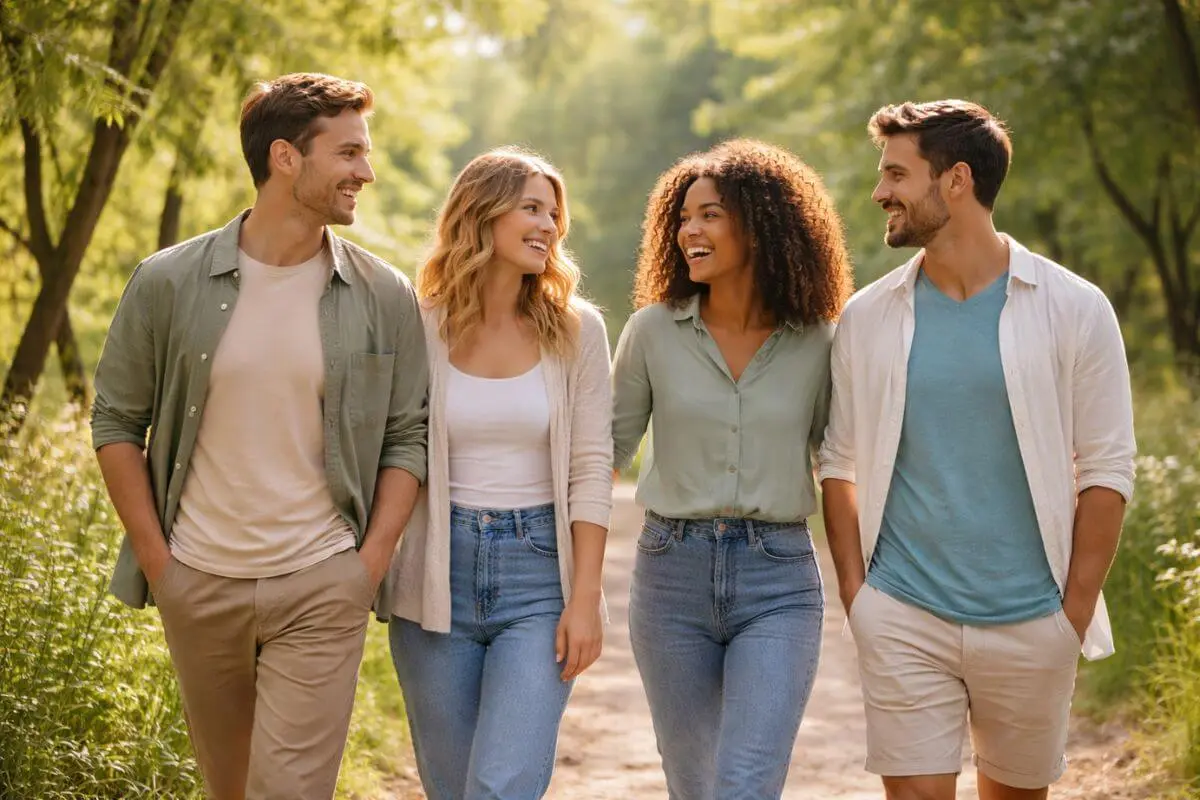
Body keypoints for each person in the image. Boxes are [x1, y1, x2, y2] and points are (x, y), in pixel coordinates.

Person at [90, 73, 429, 800]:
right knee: (233, 788)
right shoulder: (167, 282)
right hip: (199, 581)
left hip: (320, 584)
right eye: (348, 153)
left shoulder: (382, 295)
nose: (365, 173)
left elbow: (408, 435)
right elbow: (116, 422)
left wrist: (364, 566)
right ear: (284, 158)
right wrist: (163, 568)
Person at [818, 100, 1136, 799]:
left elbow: (1108, 471)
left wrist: (1070, 618)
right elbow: (836, 462)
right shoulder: (868, 318)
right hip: (902, 614)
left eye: (896, 174)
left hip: (1033, 619)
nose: (879, 194)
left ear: (955, 181)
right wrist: (858, 598)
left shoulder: (1074, 308)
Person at [611, 138, 853, 799]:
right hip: (671, 575)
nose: (691, 229)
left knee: (746, 781)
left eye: (710, 213)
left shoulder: (820, 341)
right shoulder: (652, 331)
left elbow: (846, 459)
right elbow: (599, 453)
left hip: (778, 579)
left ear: (763, 222)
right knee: (695, 784)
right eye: (683, 217)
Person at [387, 147, 613, 800]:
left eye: (554, 214)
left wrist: (586, 598)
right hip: (435, 573)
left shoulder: (577, 332)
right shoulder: (419, 324)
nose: (548, 226)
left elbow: (592, 467)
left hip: (539, 575)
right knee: (452, 787)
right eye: (532, 208)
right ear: (482, 214)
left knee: (501, 785)